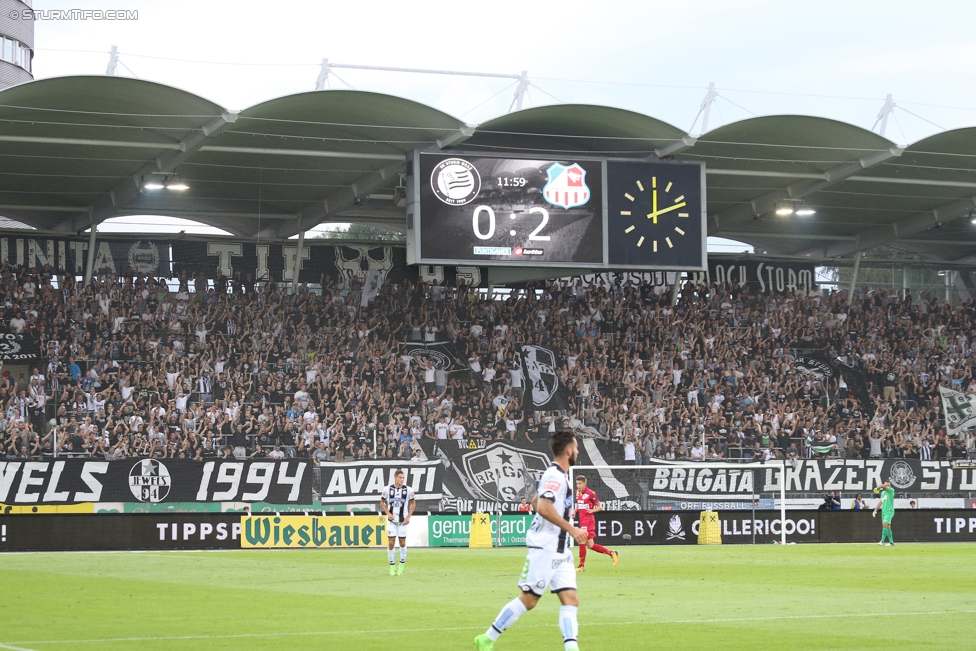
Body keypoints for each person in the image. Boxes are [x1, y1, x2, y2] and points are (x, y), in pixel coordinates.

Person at [475, 430, 588, 651]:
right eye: (575, 447)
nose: (577, 450)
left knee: (571, 600)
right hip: (546, 547)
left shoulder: (560, 476)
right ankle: (487, 639)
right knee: (529, 600)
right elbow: (544, 507)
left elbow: (537, 503)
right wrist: (571, 529)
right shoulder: (554, 475)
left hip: (560, 549)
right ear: (568, 450)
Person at [572, 475, 618, 572]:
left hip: (589, 522)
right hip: (582, 521)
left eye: (580, 484)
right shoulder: (577, 492)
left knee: (581, 540)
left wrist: (592, 510)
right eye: (577, 484)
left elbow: (599, 507)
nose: (578, 486)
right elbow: (578, 504)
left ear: (585, 483)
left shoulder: (591, 494)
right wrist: (574, 511)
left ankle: (581, 566)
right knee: (590, 545)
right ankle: (612, 553)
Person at [380, 469, 415, 576]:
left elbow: (413, 504)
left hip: (403, 521)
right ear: (395, 478)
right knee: (391, 542)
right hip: (392, 521)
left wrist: (408, 517)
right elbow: (382, 502)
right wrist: (388, 513)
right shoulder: (387, 489)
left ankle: (401, 566)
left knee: (402, 543)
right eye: (400, 477)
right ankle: (391, 567)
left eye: (403, 478)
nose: (402, 480)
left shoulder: (408, 490)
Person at [872, 479, 895, 546]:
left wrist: (878, 488)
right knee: (888, 526)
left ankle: (882, 541)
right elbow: (880, 502)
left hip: (890, 511)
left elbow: (882, 486)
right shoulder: (883, 493)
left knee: (884, 524)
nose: (887, 485)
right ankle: (891, 542)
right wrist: (875, 510)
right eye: (886, 484)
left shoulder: (891, 490)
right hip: (884, 511)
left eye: (888, 484)